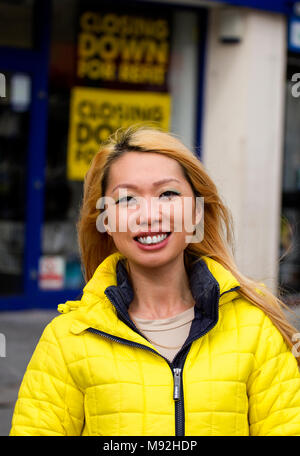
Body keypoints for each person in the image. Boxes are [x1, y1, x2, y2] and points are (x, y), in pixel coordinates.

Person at [10, 126, 300, 436]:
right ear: (106, 220)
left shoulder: (255, 330)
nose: (148, 215)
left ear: (197, 213)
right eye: (127, 199)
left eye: (168, 194)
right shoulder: (67, 339)